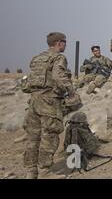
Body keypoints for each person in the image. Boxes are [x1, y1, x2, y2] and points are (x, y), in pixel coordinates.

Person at [22, 32, 76, 179]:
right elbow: (59, 77)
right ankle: (45, 172)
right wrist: (72, 92)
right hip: (49, 102)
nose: (65, 45)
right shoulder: (58, 57)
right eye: (64, 42)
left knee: (33, 138)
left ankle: (31, 172)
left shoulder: (37, 58)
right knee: (49, 136)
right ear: (59, 43)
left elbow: (27, 84)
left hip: (33, 102)